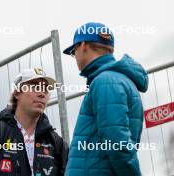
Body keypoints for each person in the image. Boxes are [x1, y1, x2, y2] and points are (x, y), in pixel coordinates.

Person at [63, 22, 148, 176]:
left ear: (82, 46)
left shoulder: (105, 81)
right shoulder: (119, 79)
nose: (74, 57)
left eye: (73, 51)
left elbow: (117, 143)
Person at [0, 68, 68, 176]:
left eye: (45, 89)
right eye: (35, 87)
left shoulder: (57, 143)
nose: (42, 94)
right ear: (17, 93)